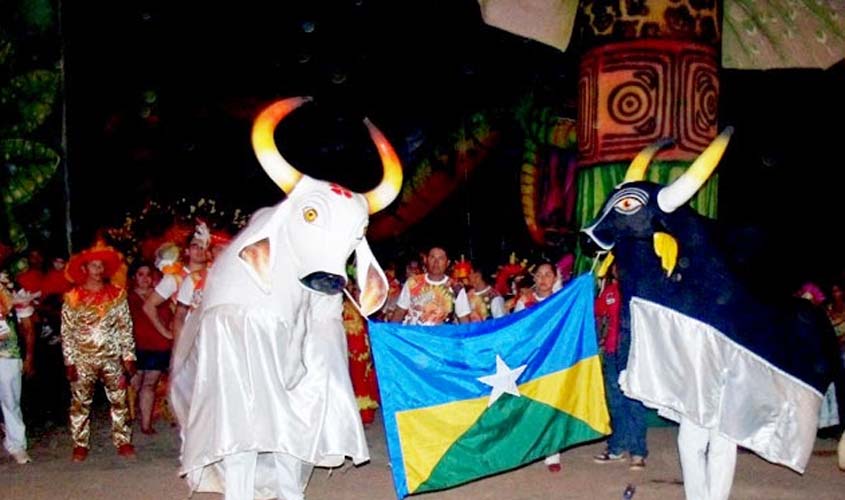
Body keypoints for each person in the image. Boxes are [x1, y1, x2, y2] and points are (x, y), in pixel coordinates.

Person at [61, 241, 136, 462]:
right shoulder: (72, 298)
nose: (98, 270)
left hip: (112, 358)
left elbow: (125, 327)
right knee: (80, 402)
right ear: (84, 269)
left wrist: (129, 356)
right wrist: (69, 361)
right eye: (94, 266)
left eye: (101, 266)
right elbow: (67, 332)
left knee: (119, 400)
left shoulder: (116, 295)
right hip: (83, 359)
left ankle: (123, 440)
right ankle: (80, 443)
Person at [511, 262, 566, 472]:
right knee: (529, 403)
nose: (543, 279)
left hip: (554, 361)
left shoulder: (562, 301)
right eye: (539, 275)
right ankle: (529, 446)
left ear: (555, 278)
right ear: (534, 278)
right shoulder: (524, 302)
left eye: (548, 275)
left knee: (552, 403)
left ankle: (552, 451)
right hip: (530, 361)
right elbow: (516, 331)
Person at [127, 262, 173, 435]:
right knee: (134, 384)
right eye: (140, 274)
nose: (145, 278)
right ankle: (126, 421)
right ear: (134, 277)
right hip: (136, 346)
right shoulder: (127, 298)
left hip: (158, 346)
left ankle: (146, 425)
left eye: (148, 274)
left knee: (149, 385)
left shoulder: (162, 296)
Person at [0, 276, 36, 464]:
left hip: (8, 353)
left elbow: (27, 326)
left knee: (10, 400)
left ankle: (16, 444)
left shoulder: (12, 286)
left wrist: (29, 356)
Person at [389, 246, 471, 325]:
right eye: (432, 257)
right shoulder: (412, 282)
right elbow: (399, 312)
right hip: (414, 337)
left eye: (441, 258)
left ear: (447, 263)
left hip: (442, 338)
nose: (436, 262)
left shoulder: (456, 288)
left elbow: (464, 318)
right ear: (426, 260)